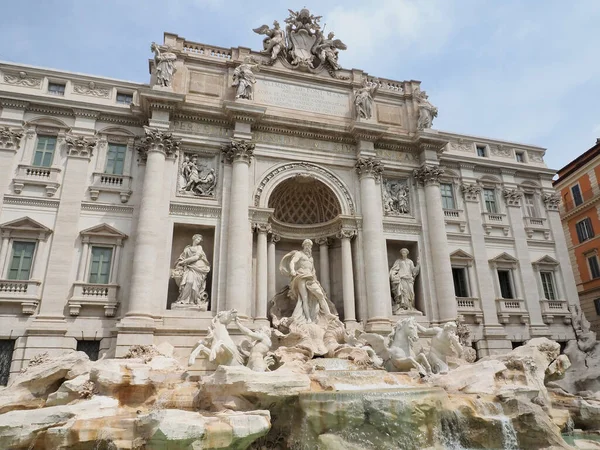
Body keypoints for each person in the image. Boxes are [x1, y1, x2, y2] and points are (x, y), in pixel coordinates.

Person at [279, 239, 333, 324]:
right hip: (301, 276)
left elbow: (313, 270)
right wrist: (292, 270)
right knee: (304, 298)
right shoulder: (299, 254)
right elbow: (292, 262)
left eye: (310, 246)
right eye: (307, 245)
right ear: (303, 246)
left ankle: (328, 314)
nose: (308, 247)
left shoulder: (311, 258)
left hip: (311, 277)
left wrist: (316, 280)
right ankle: (308, 318)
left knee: (320, 295)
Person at [172, 234, 210, 308]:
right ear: (194, 238)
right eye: (198, 239)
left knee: (195, 285)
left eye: (200, 240)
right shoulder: (187, 249)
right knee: (189, 282)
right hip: (189, 268)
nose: (198, 241)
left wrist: (184, 261)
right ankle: (183, 300)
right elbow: (181, 258)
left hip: (198, 268)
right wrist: (180, 263)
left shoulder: (199, 247)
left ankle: (193, 301)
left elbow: (196, 257)